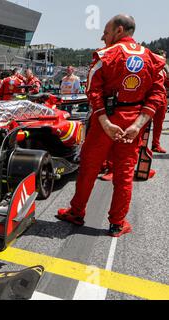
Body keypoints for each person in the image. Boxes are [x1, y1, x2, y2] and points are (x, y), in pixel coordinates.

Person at [57, 15, 166, 237]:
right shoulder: (153, 59)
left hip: (105, 120)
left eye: (105, 32)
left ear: (118, 30)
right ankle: (117, 223)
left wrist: (105, 122)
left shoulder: (106, 55)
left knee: (89, 167)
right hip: (133, 121)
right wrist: (139, 124)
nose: (102, 36)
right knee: (124, 173)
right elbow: (158, 94)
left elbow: (93, 91)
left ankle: (77, 212)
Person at [151, 49, 168, 153]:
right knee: (144, 126)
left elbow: (165, 83)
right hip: (151, 100)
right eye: (163, 56)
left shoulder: (164, 70)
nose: (164, 59)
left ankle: (155, 144)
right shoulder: (151, 68)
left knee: (159, 124)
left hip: (162, 99)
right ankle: (139, 146)